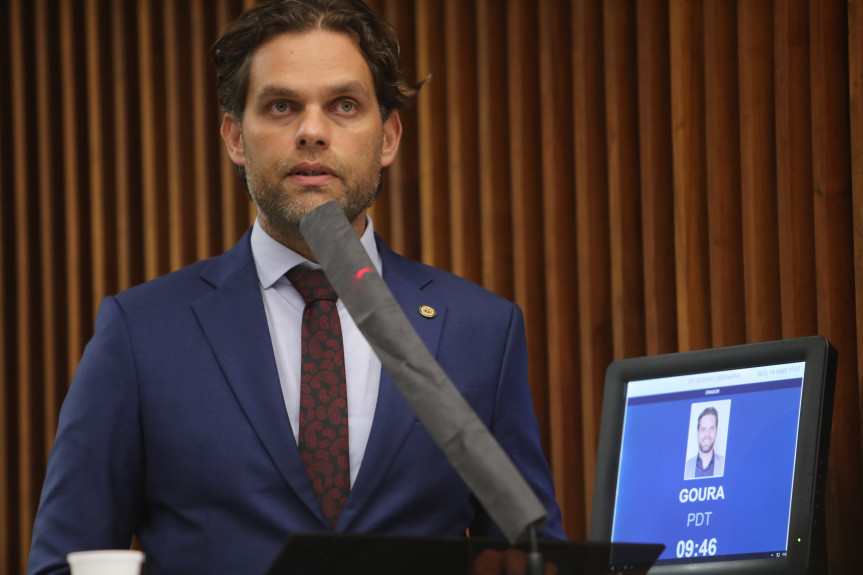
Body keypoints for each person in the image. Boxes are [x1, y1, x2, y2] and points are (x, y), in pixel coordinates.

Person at [27, 1, 565, 574]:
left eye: (344, 106)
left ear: (388, 137)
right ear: (235, 136)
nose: (312, 131)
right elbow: (63, 562)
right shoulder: (140, 333)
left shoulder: (480, 330)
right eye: (282, 106)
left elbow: (535, 553)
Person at [684, 406, 725, 479]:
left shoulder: (725, 464)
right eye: (703, 429)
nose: (707, 434)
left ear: (716, 431)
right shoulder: (686, 466)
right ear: (697, 433)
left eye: (711, 429)